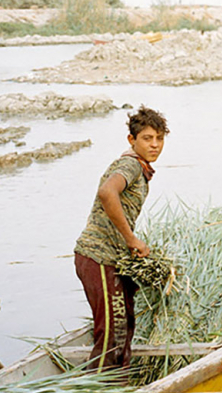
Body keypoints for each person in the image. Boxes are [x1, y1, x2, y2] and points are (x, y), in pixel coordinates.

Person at [73, 106, 169, 369]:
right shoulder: (129, 165)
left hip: (112, 259)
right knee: (112, 334)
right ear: (132, 140)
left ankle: (120, 379)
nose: (155, 145)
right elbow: (107, 193)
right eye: (147, 138)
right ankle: (102, 385)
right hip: (98, 257)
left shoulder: (139, 167)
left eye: (159, 139)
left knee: (124, 322)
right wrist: (131, 239)